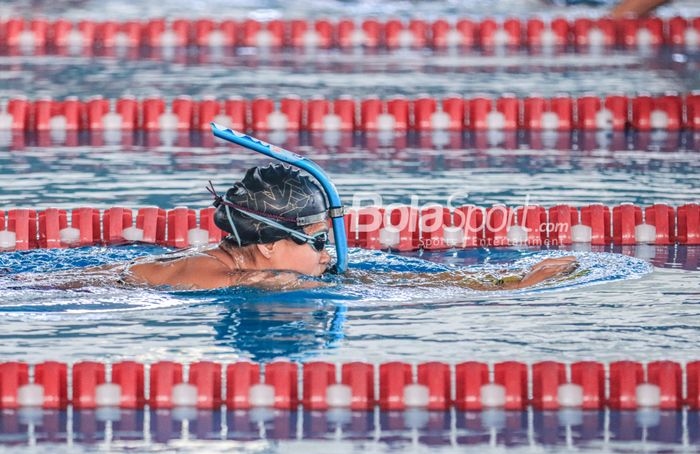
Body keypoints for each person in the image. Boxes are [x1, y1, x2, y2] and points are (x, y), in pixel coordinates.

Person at [56, 163, 574, 291]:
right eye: (317, 240)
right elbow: (389, 289)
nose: (329, 253)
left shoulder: (203, 266)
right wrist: (508, 286)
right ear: (265, 249)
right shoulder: (262, 279)